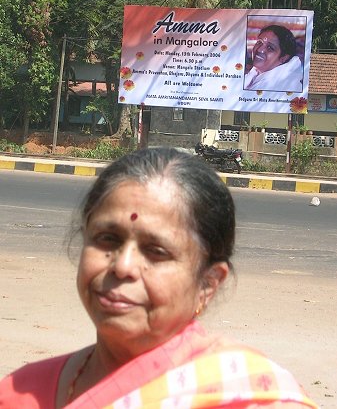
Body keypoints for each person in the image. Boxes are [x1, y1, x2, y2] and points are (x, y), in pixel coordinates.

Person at [0, 148, 317, 408]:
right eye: (107, 239)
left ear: (207, 283)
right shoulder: (21, 392)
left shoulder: (249, 399)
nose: (122, 267)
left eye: (156, 251)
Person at [244, 25, 303, 92]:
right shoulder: (255, 73)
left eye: (270, 48)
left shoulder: (281, 87)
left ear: (283, 58)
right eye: (259, 42)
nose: (259, 50)